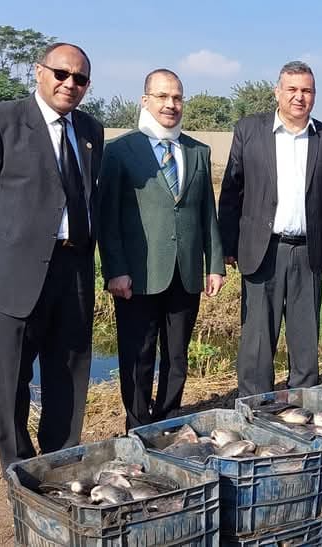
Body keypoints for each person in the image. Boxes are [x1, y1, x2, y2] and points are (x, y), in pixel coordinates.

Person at [0, 43, 103, 470]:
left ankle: (61, 457)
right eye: (61, 73)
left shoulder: (90, 131)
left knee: (69, 369)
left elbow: (88, 198)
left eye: (80, 78)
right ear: (39, 72)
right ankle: (17, 465)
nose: (69, 84)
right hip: (13, 272)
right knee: (13, 376)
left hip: (73, 269)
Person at [97, 69, 225, 430]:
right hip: (138, 274)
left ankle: (168, 419)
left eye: (177, 98)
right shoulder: (120, 151)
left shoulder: (197, 152)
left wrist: (214, 264)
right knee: (137, 355)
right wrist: (114, 270)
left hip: (185, 271)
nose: (171, 104)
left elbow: (207, 214)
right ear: (145, 100)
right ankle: (138, 424)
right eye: (163, 97)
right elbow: (107, 219)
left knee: (178, 355)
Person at [218, 60, 322, 397]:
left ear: (314, 95)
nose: (299, 97)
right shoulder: (249, 130)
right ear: (278, 92)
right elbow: (232, 192)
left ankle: (302, 404)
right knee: (257, 339)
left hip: (308, 251)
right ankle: (255, 408)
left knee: (305, 338)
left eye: (306, 90)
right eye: (292, 89)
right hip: (262, 250)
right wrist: (226, 244)